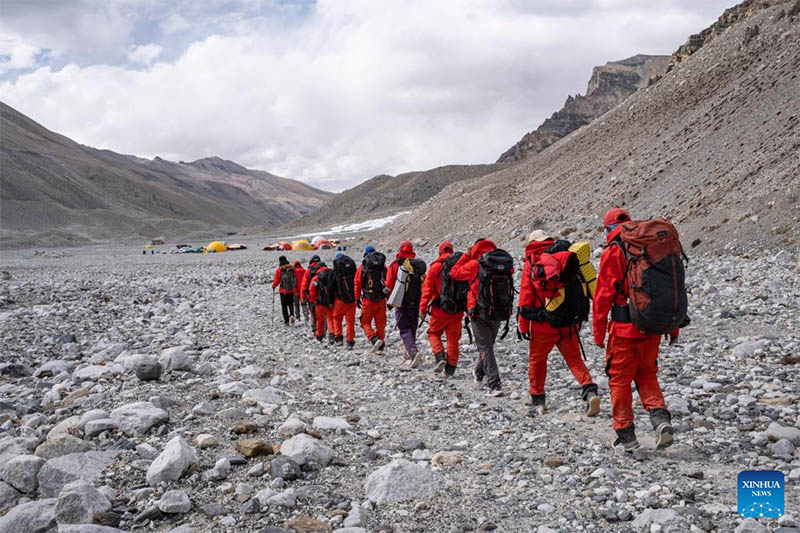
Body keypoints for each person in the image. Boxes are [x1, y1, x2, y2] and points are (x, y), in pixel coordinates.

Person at [594, 208, 677, 451]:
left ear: (609, 229)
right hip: (653, 325)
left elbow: (602, 297)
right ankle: (661, 421)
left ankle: (626, 434)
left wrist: (599, 334)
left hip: (623, 330)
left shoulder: (614, 251)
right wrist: (673, 328)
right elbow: (669, 288)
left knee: (619, 379)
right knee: (647, 373)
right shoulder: (651, 247)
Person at [517, 230, 600, 417]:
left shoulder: (533, 261)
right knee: (574, 358)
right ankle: (589, 389)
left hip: (542, 324)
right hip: (568, 322)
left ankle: (538, 399)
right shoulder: (567, 256)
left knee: (537, 360)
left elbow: (526, 295)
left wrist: (523, 324)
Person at [450, 238, 513, 396]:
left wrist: (467, 255)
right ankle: (479, 372)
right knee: (488, 345)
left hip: (478, 311)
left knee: (485, 347)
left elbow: (454, 272)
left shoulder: (476, 264)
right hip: (499, 309)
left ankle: (494, 384)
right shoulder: (503, 264)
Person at [419, 241, 471, 377]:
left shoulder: (435, 267)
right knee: (453, 339)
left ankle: (440, 356)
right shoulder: (460, 265)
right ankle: (451, 368)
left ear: (440, 252)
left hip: (439, 310)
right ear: (452, 251)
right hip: (457, 310)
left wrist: (423, 308)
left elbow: (427, 290)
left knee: (433, 333)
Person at [385, 241, 426, 368]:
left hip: (401, 302)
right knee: (412, 326)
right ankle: (409, 350)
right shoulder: (418, 265)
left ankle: (412, 351)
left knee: (404, 327)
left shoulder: (395, 265)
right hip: (416, 301)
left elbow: (389, 284)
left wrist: (390, 300)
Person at [354, 246, 388, 352]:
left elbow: (357, 283)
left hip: (368, 300)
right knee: (380, 324)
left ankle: (373, 338)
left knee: (364, 322)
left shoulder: (363, 267)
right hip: (382, 300)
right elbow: (389, 282)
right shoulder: (383, 267)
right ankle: (381, 345)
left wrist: (357, 298)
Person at [331, 253, 358, 349]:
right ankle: (350, 341)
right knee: (350, 321)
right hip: (352, 299)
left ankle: (338, 338)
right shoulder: (352, 270)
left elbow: (332, 287)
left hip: (339, 300)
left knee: (337, 318)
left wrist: (330, 300)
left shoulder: (335, 272)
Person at [308, 261, 335, 343]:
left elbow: (311, 290)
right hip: (331, 302)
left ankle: (319, 336)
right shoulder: (332, 275)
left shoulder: (316, 278)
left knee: (320, 320)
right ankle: (331, 335)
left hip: (319, 303)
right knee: (331, 319)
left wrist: (313, 300)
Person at [271, 256, 297, 325]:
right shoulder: (291, 268)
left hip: (283, 291)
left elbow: (277, 280)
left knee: (284, 305)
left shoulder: (279, 269)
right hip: (291, 290)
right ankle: (292, 315)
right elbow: (295, 277)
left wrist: (273, 286)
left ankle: (286, 320)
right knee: (291, 303)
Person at [301, 255, 323, 333]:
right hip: (323, 296)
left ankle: (314, 327)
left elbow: (304, 285)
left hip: (311, 296)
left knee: (312, 312)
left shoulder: (308, 271)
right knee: (322, 314)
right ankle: (322, 329)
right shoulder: (323, 269)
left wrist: (303, 297)